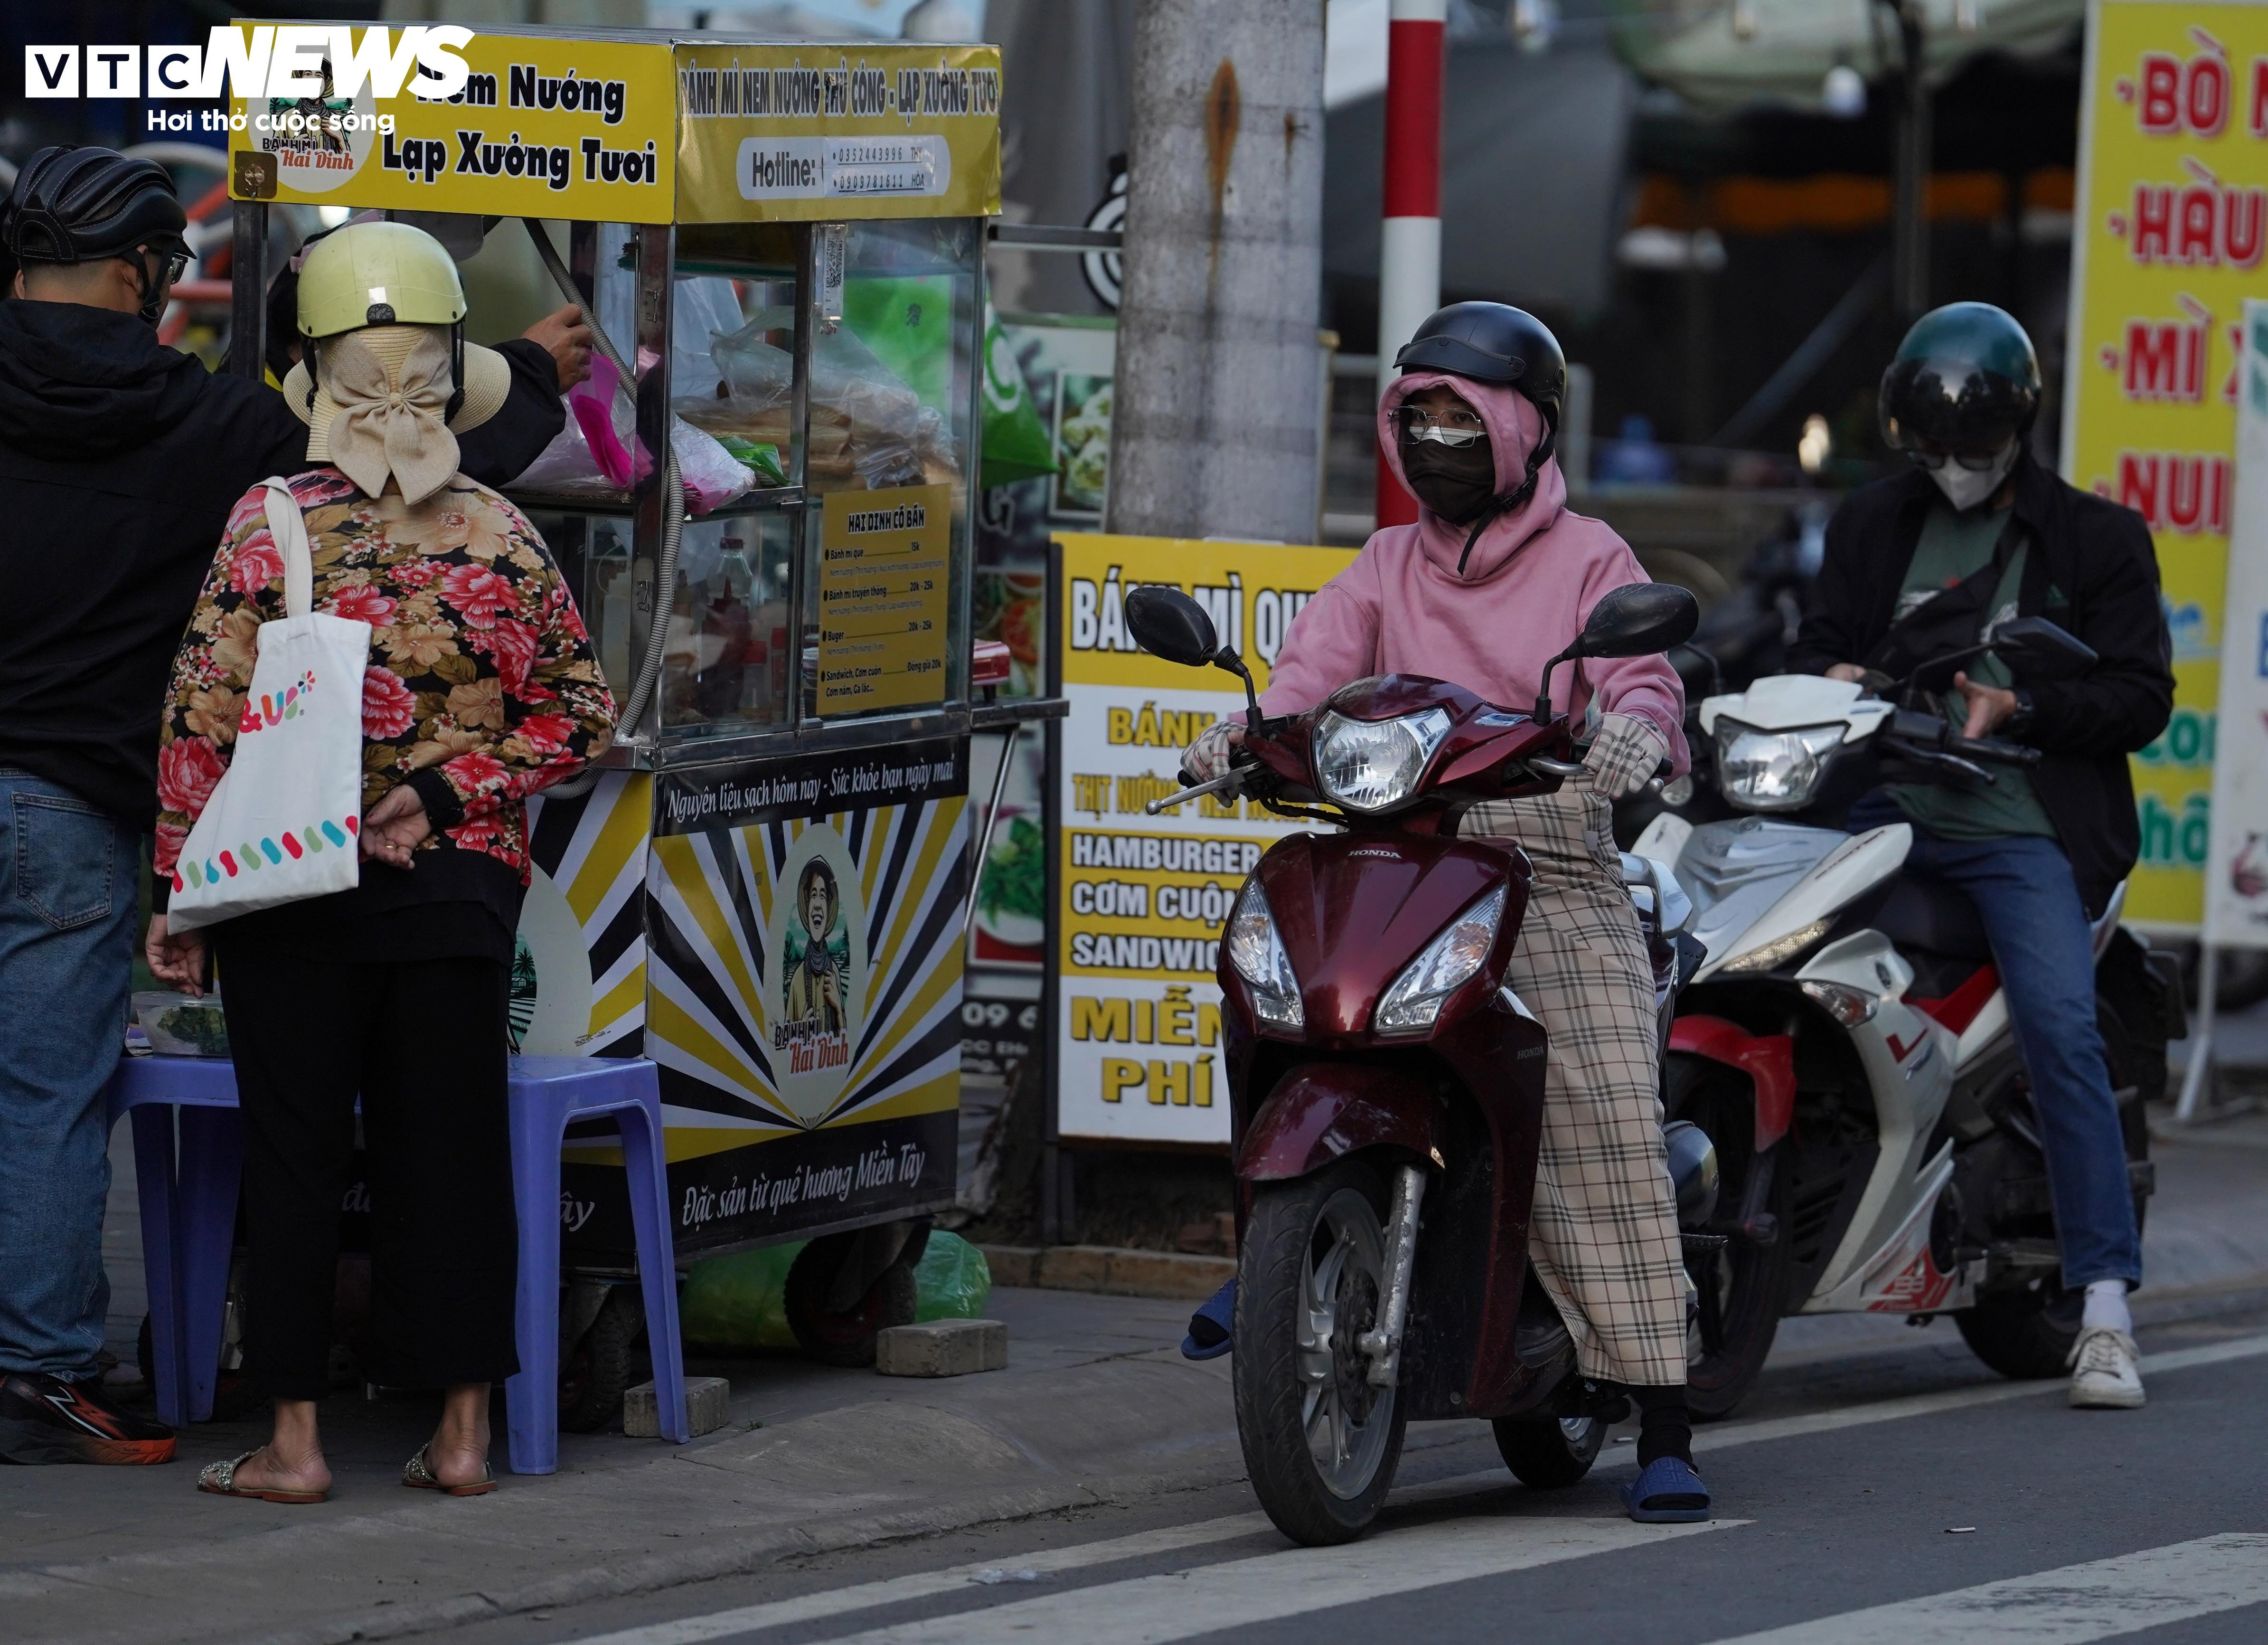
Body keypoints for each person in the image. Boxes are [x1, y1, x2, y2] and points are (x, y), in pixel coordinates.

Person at [0, 146, 584, 1467]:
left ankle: (268, 1430)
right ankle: (36, 1369)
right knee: (45, 1093)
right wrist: (534, 366)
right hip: (71, 809)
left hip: (112, 826)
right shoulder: (213, 430)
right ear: (143, 276)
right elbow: (403, 459)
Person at [1184, 303, 1708, 1522]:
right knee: (1272, 996)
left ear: (1524, 430)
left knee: (1594, 1103)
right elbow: (1309, 678)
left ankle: (1663, 1416)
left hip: (1548, 861)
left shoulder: (1588, 557)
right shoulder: (1384, 563)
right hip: (1392, 844)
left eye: (1460, 419)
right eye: (1415, 418)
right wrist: (1244, 735)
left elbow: (1641, 675)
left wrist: (1636, 726)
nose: (1435, 442)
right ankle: (1271, 1251)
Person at [143, 219, 615, 1501]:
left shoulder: (269, 526)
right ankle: (462, 1435)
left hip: (290, 886)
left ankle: (294, 1447)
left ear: (311, 372)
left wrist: (180, 888)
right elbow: (581, 714)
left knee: (293, 1158)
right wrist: (446, 789)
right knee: (451, 1154)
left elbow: (204, 714)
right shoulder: (502, 536)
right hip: (458, 893)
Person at [1789, 302, 2173, 1410]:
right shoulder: (1868, 524)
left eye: (1974, 446)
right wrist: (1838, 680)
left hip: (2021, 830)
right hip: (1880, 820)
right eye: (1933, 446)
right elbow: (1815, 643)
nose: (1953, 466)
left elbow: (2139, 695)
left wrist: (2023, 708)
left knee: (2060, 1027)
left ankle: (2104, 1307)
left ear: (2019, 428)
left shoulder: (2097, 539)